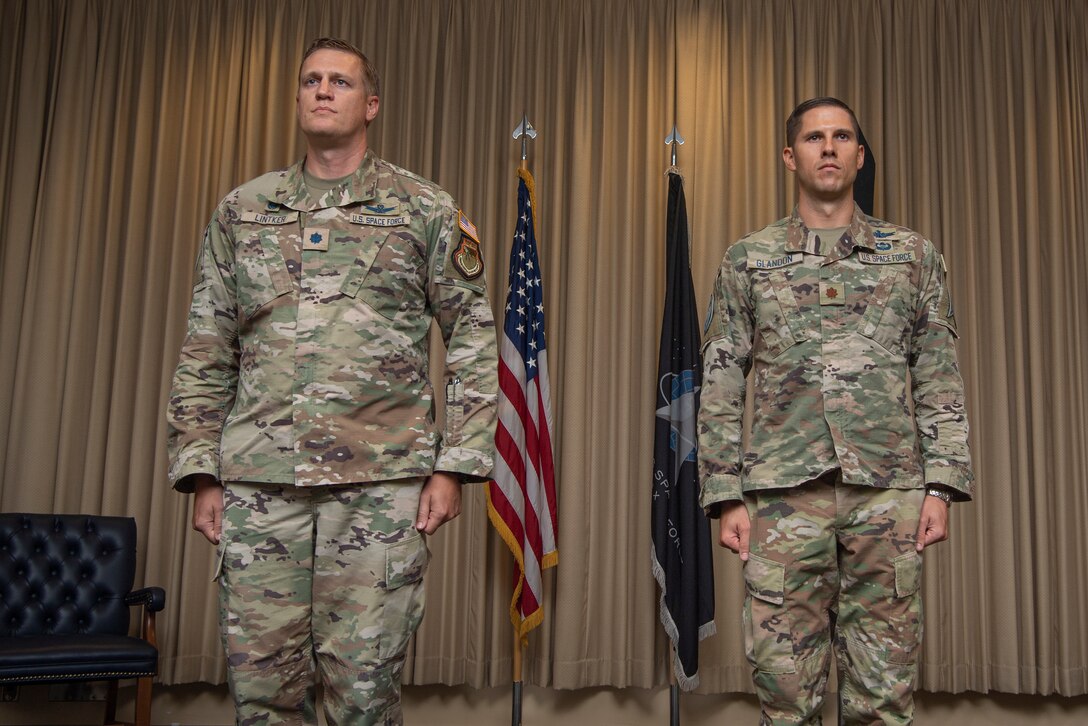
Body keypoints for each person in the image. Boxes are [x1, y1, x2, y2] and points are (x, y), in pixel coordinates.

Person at [166, 37, 498, 725]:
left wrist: (456, 467)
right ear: (296, 99)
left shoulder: (423, 209)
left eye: (340, 82)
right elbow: (206, 346)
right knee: (263, 697)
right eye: (312, 80)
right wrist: (202, 470)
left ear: (369, 104)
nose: (323, 90)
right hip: (259, 488)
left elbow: (472, 335)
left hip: (380, 489)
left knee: (364, 698)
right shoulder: (242, 211)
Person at [697, 97, 973, 724]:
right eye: (815, 138)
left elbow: (937, 375)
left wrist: (941, 485)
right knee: (785, 691)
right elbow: (718, 384)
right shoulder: (748, 259)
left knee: (884, 692)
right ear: (790, 157)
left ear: (859, 154)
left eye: (842, 136)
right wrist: (724, 495)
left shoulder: (912, 256)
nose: (829, 147)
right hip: (781, 499)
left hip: (889, 495)